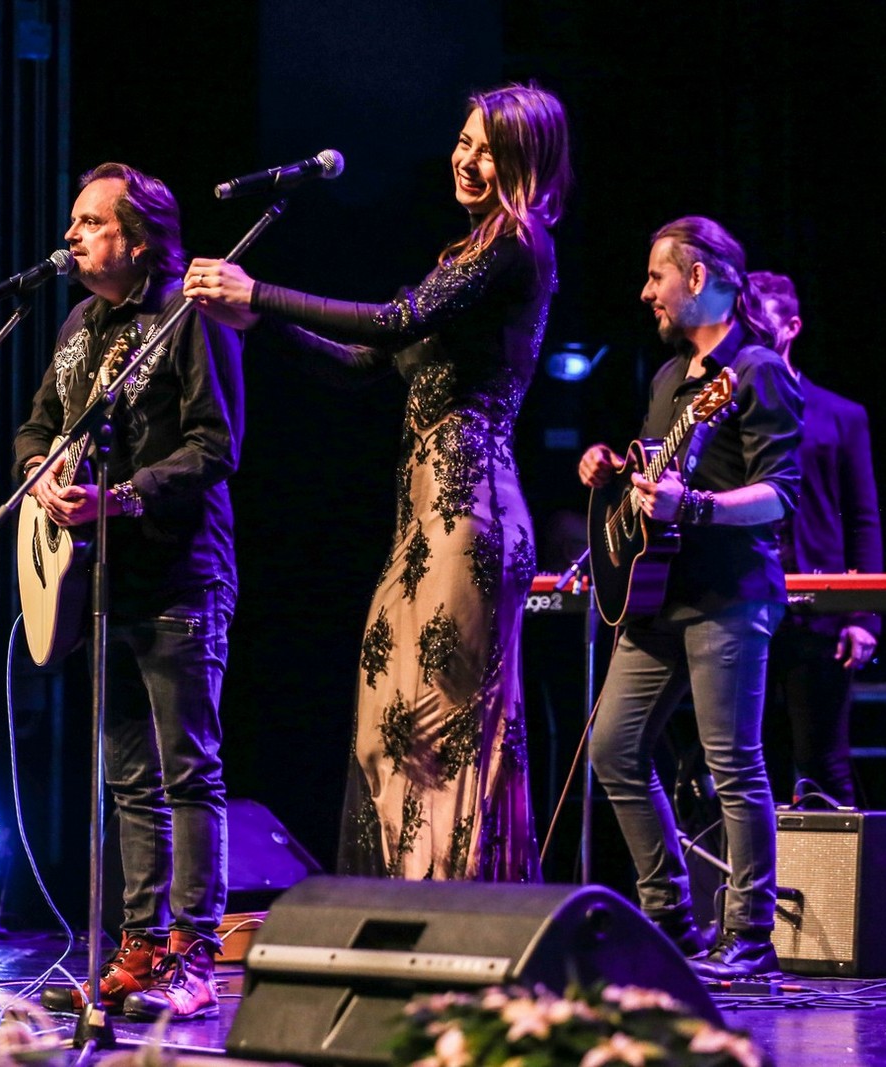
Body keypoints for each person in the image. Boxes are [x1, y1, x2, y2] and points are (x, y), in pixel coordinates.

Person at [187, 83, 572, 881]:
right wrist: (262, 325)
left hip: (472, 509)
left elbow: (392, 323)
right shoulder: (459, 259)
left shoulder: (520, 244)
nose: (467, 160)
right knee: (383, 729)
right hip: (422, 516)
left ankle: (463, 914)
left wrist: (259, 291)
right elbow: (366, 364)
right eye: (463, 142)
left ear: (527, 161)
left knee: (445, 727)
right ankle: (412, 900)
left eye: (489, 149)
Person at [17, 163, 244, 1021]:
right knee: (129, 776)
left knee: (189, 771)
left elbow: (217, 444)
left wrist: (125, 493)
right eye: (73, 223)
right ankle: (138, 944)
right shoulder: (80, 322)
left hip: (181, 570)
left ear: (137, 238)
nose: (70, 235)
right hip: (100, 580)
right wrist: (39, 470)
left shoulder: (192, 314)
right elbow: (38, 421)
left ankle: (192, 953)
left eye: (88, 223)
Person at [577, 217, 803, 981]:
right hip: (658, 599)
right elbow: (656, 473)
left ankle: (748, 934)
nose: (647, 294)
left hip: (729, 597)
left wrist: (697, 508)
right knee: (612, 747)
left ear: (698, 277)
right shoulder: (670, 379)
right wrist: (613, 471)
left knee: (734, 764)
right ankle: (670, 915)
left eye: (655, 277)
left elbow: (780, 497)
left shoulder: (759, 371)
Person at [752, 271, 882, 808]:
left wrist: (862, 615)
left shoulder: (840, 415)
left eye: (762, 323)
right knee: (747, 760)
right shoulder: (727, 410)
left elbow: (862, 518)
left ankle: (839, 890)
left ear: (792, 327)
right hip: (748, 607)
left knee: (822, 761)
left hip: (818, 613)